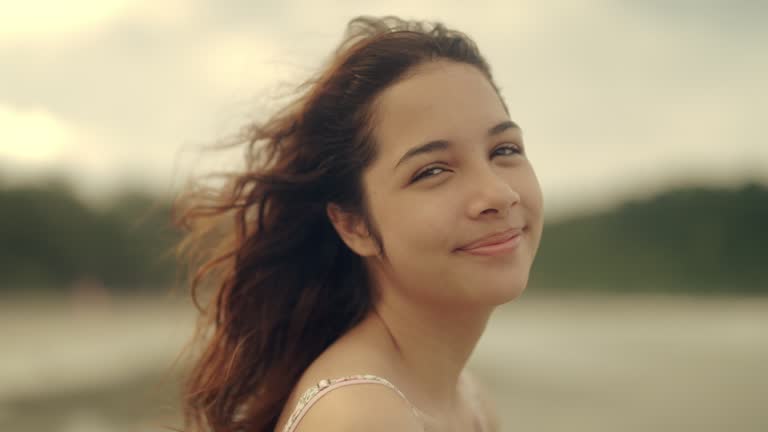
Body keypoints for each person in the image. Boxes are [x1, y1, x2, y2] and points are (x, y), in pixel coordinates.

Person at [175, 15, 543, 432]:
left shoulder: (467, 398)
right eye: (433, 171)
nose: (497, 194)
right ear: (354, 225)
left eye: (504, 149)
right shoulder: (361, 415)